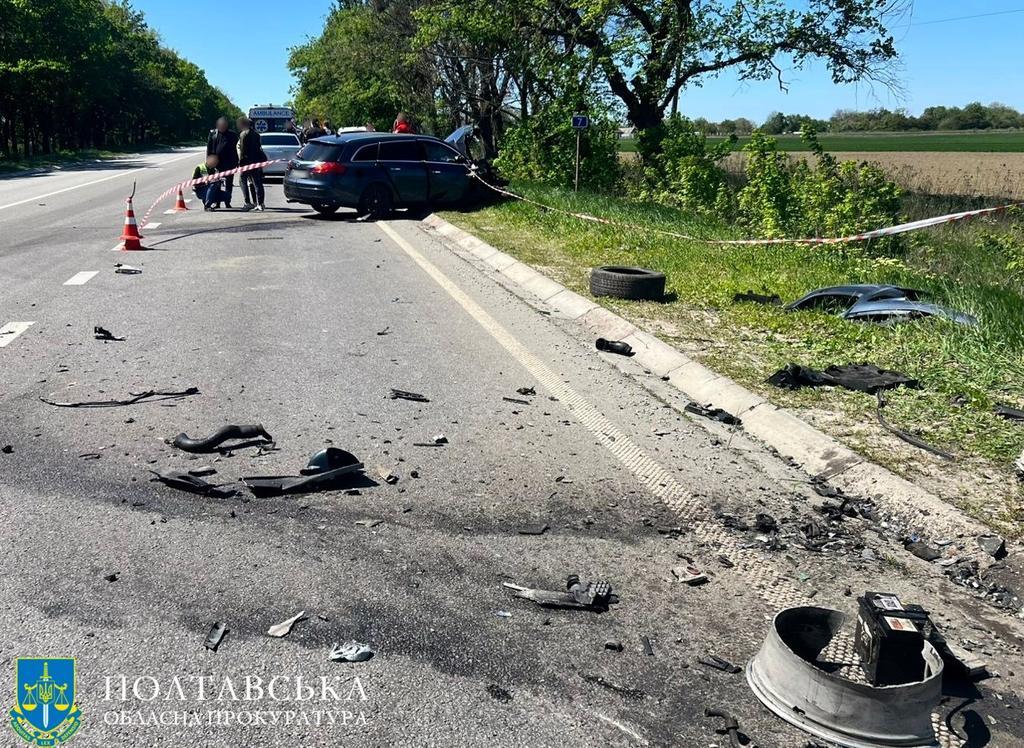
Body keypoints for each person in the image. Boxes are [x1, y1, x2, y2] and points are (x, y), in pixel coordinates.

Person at [206, 117, 239, 208]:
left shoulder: (232, 135)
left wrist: (237, 162)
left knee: (229, 184)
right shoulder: (213, 134)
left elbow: (237, 150)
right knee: (216, 184)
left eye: (224, 124)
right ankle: (217, 202)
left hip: (230, 163)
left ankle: (227, 201)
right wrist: (209, 162)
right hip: (217, 164)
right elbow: (209, 149)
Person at [237, 116, 267, 212]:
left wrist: (240, 163)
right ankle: (260, 203)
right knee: (257, 183)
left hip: (246, 162)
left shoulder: (243, 134)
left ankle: (247, 202)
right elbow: (259, 149)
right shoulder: (257, 135)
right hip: (255, 162)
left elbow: (242, 150)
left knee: (242, 181)